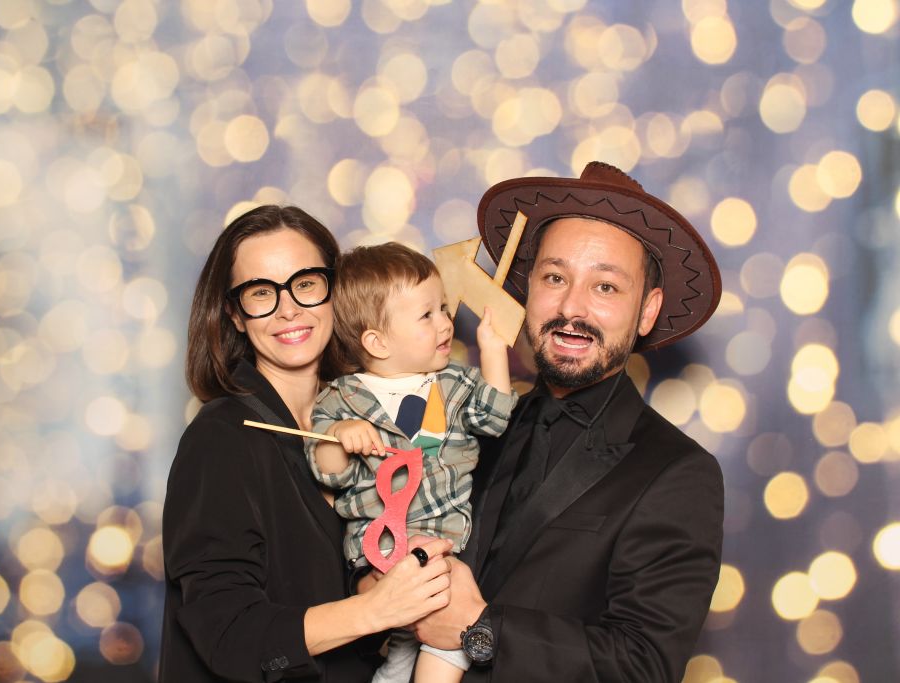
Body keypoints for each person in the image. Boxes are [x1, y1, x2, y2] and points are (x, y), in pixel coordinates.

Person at [412, 161, 725, 682]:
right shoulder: (468, 425)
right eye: (555, 278)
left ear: (647, 311)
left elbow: (643, 667)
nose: (572, 308)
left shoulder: (677, 473)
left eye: (606, 287)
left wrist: (479, 628)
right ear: (527, 290)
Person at [160, 205, 454, 683]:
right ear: (235, 315)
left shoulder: (371, 419)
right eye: (261, 292)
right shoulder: (219, 440)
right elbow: (227, 632)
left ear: (336, 292)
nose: (288, 309)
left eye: (306, 283)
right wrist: (375, 610)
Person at [306, 242, 517, 683]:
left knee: (439, 636)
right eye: (427, 315)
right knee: (434, 629)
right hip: (382, 553)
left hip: (446, 546)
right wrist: (339, 436)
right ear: (377, 341)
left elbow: (494, 417)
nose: (445, 323)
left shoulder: (455, 383)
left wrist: (493, 351)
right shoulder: (341, 400)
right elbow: (330, 472)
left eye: (444, 309)